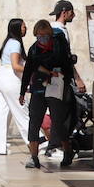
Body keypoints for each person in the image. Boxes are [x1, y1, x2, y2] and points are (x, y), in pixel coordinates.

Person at [20, 19, 75, 168]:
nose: (42, 39)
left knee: (57, 121)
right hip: (38, 88)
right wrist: (22, 91)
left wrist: (66, 81)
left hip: (56, 88)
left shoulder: (59, 48)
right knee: (34, 121)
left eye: (44, 36)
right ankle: (33, 157)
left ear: (50, 35)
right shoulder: (34, 50)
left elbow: (67, 67)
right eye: (39, 36)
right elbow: (27, 71)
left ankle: (67, 150)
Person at [50, 0, 87, 148]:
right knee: (66, 112)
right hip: (60, 77)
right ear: (64, 13)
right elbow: (65, 58)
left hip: (55, 77)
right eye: (72, 12)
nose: (74, 15)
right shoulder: (59, 32)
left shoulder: (52, 30)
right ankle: (54, 146)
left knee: (65, 111)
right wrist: (77, 79)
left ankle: (56, 145)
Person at [0, 18, 29, 155]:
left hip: (2, 78)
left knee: (1, 113)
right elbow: (16, 66)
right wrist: (32, 68)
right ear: (18, 28)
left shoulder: (9, 42)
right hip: (10, 79)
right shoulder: (16, 43)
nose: (26, 28)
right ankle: (38, 144)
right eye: (24, 26)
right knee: (22, 112)